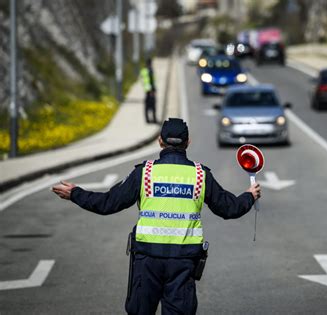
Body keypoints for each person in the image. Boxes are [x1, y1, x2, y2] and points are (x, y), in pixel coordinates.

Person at [52, 118, 261, 315]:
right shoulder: (200, 175)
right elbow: (229, 208)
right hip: (183, 261)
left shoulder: (145, 173)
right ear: (188, 142)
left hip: (147, 259)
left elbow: (108, 203)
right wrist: (249, 196)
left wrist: (75, 194)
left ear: (160, 141)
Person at [140, 58, 157, 123]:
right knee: (153, 105)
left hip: (146, 90)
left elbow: (142, 80)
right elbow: (151, 81)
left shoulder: (143, 71)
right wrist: (153, 90)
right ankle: (154, 119)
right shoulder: (150, 70)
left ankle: (147, 120)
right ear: (150, 64)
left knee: (146, 106)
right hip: (150, 90)